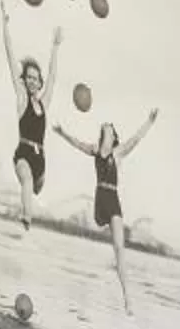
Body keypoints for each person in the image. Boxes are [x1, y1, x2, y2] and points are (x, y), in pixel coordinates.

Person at [54, 107, 158, 309]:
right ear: (103, 134)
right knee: (96, 228)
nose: (107, 126)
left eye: (110, 126)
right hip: (100, 200)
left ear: (114, 134)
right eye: (105, 126)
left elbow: (136, 139)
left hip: (113, 200)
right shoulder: (94, 150)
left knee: (119, 248)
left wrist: (149, 122)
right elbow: (77, 144)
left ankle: (127, 298)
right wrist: (62, 132)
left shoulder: (118, 153)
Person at [0, 2, 61, 234]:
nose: (33, 81)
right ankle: (26, 219)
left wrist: (55, 47)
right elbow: (10, 58)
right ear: (24, 80)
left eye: (36, 78)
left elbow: (53, 76)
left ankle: (27, 207)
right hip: (23, 154)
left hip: (40, 159)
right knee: (26, 181)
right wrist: (5, 28)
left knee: (35, 189)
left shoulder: (43, 103)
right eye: (29, 78)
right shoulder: (21, 99)